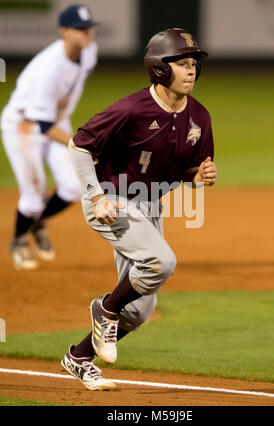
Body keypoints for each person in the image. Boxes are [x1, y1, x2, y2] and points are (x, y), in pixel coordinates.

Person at [61, 28, 218, 391]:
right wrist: (96, 196)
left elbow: (187, 172)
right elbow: (79, 147)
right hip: (111, 201)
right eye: (181, 63)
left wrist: (200, 176)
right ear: (160, 69)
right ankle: (105, 310)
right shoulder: (131, 109)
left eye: (194, 63)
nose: (191, 70)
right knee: (160, 262)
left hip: (149, 207)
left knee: (140, 310)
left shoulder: (200, 117)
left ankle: (80, 356)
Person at [0, 4, 98, 270]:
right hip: (24, 125)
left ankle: (37, 222)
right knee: (33, 196)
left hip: (54, 119)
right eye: (79, 29)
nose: (86, 34)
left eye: (88, 28)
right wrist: (83, 146)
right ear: (63, 31)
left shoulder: (89, 52)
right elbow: (43, 126)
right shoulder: (48, 69)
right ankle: (19, 239)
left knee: (73, 188)